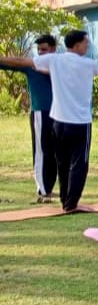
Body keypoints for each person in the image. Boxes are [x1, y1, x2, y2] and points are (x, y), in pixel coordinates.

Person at [2, 30, 98, 212]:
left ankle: (65, 201)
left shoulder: (54, 60)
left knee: (62, 163)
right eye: (85, 43)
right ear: (77, 45)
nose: (87, 46)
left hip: (58, 122)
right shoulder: (88, 64)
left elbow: (21, 61)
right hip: (80, 122)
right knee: (79, 164)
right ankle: (70, 203)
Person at [0, 34, 58, 203]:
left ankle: (49, 188)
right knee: (41, 151)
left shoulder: (60, 64)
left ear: (53, 49)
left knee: (54, 152)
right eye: (39, 50)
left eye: (44, 49)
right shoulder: (32, 65)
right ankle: (43, 190)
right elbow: (12, 62)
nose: (41, 53)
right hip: (40, 113)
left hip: (59, 113)